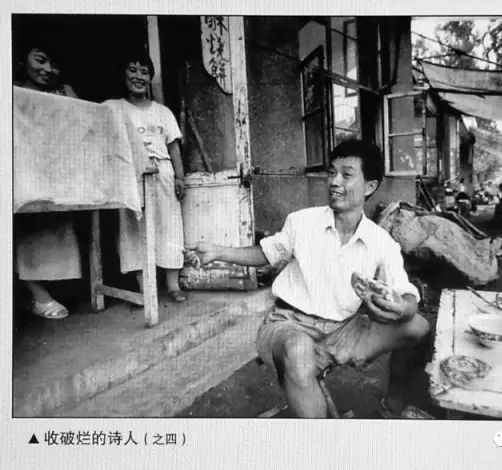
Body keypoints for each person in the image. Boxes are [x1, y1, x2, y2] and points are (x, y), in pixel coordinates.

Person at [187, 140, 430, 418]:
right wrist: (218, 252)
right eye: (332, 173)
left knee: (419, 327)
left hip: (343, 330)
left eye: (347, 175)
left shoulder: (381, 242)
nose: (334, 182)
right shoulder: (302, 222)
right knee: (298, 351)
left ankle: (393, 401)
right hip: (288, 324)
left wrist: (402, 307)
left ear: (369, 187)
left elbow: (406, 294)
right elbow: (266, 253)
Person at [104, 52, 187, 302]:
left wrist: (180, 178)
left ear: (150, 78)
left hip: (162, 174)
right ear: (123, 74)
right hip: (130, 176)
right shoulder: (113, 108)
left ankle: (172, 285)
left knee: (169, 226)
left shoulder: (163, 112)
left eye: (144, 72)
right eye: (133, 70)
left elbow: (173, 148)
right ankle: (144, 288)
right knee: (133, 228)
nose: (138, 76)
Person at [14, 39, 80, 319]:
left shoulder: (62, 92)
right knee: (29, 231)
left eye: (53, 64)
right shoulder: (13, 91)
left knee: (58, 230)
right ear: (21, 61)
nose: (48, 69)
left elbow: (81, 123)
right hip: (25, 173)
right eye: (40, 60)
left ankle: (44, 293)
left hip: (57, 173)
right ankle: (36, 293)